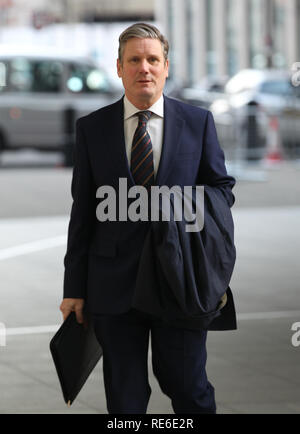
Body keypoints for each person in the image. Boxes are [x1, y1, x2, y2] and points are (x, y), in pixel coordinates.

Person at [60, 22, 236, 414]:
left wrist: (176, 206)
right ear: (119, 68)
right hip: (112, 286)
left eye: (153, 59)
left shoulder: (197, 122)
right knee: (125, 400)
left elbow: (222, 190)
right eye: (135, 60)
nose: (145, 68)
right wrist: (74, 288)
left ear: (166, 67)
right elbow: (83, 212)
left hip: (180, 279)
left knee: (189, 388)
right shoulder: (92, 129)